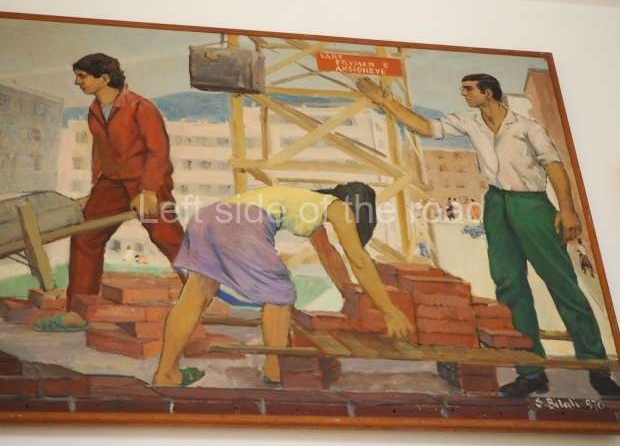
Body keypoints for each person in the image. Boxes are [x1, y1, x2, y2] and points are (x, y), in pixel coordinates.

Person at [357, 74, 620, 399]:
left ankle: (597, 369)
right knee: (508, 284)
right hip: (496, 204)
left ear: (488, 92)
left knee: (562, 284)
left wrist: (567, 209)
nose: (463, 93)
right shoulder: (469, 122)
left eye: (468, 89)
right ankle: (530, 372)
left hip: (532, 204)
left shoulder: (527, 128)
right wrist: (386, 102)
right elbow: (425, 127)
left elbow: (554, 166)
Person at [152, 183, 413, 387]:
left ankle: (166, 373)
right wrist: (389, 310)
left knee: (195, 296)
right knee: (281, 295)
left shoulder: (310, 204)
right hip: (241, 222)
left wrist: (350, 295)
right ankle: (274, 370)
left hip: (208, 217)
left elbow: (328, 254)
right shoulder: (338, 207)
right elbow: (358, 259)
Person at [33, 53, 185, 332]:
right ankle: (78, 311)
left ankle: (204, 297)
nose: (77, 82)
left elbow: (158, 151)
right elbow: (100, 152)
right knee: (86, 236)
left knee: (168, 238)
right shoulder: (94, 110)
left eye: (82, 76)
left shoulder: (140, 107)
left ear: (104, 78)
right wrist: (95, 190)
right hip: (112, 183)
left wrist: (149, 190)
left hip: (147, 182)